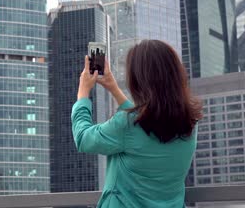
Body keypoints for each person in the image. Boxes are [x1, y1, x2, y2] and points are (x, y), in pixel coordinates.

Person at [71, 39, 202, 208]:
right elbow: (142, 124)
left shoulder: (127, 124)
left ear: (138, 80)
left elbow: (83, 139)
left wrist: (83, 93)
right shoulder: (190, 123)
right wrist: (114, 89)